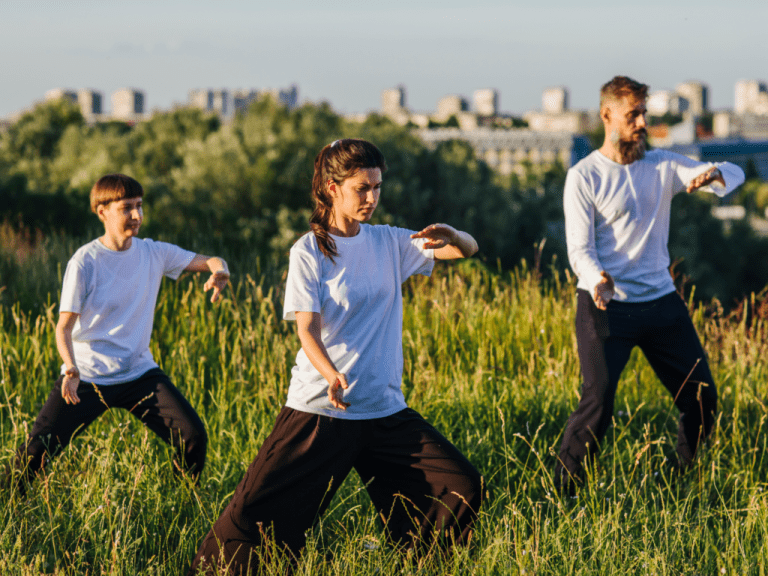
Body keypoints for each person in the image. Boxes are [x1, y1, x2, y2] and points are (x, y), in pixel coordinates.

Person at [187, 139, 483, 575]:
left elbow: (467, 250)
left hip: (383, 411)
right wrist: (331, 375)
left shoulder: (390, 242)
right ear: (332, 187)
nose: (372, 198)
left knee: (458, 485)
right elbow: (306, 328)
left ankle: (420, 564)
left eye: (378, 187)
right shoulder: (309, 251)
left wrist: (454, 237)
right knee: (257, 512)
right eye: (362, 188)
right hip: (322, 409)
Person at [555, 76, 745, 489]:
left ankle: (679, 477)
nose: (642, 122)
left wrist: (712, 174)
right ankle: (561, 494)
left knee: (702, 398)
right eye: (633, 114)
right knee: (598, 403)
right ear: (608, 116)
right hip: (605, 306)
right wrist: (596, 278)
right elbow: (578, 249)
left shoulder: (661, 165)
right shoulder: (584, 176)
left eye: (644, 113)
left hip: (661, 304)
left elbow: (735, 172)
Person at [7, 173, 230, 493]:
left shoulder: (154, 253)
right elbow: (64, 327)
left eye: (140, 206)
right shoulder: (85, 261)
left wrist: (220, 270)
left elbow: (211, 260)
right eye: (127, 208)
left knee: (192, 436)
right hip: (88, 375)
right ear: (102, 211)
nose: (137, 215)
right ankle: (11, 501)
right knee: (37, 451)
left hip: (138, 374)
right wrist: (70, 368)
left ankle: (183, 500)